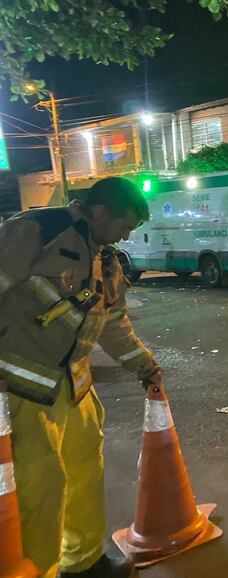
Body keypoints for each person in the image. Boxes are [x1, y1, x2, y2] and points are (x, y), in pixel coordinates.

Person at [0, 177, 162, 578]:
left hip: (74, 387)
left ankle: (84, 562)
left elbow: (114, 324)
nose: (125, 236)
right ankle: (37, 569)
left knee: (85, 472)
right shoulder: (37, 231)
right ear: (99, 211)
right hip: (23, 388)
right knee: (41, 486)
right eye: (123, 226)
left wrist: (145, 367)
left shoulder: (107, 260)